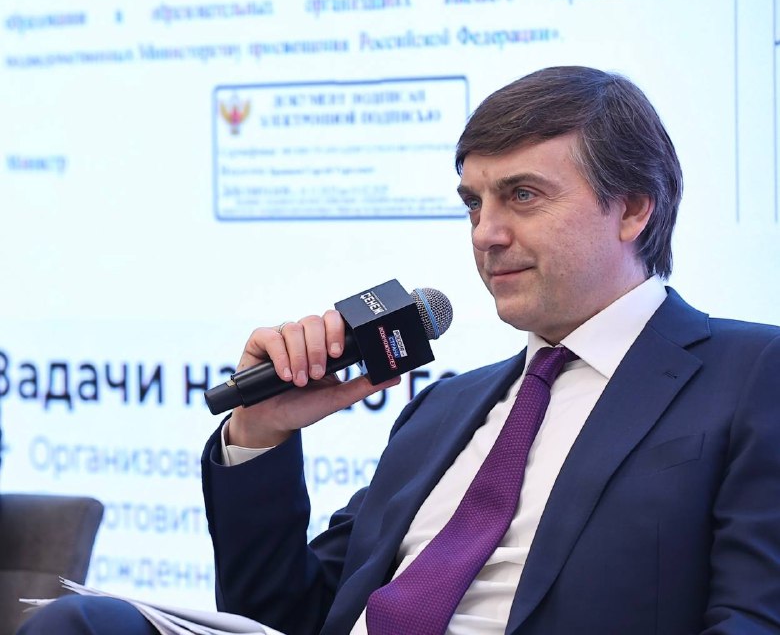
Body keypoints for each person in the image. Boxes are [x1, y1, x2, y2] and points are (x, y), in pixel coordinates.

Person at [19, 66, 780, 634]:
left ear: (634, 209)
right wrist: (262, 431)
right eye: (473, 204)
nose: (486, 233)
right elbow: (284, 618)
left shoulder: (749, 374)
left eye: (522, 195)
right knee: (85, 624)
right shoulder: (444, 408)